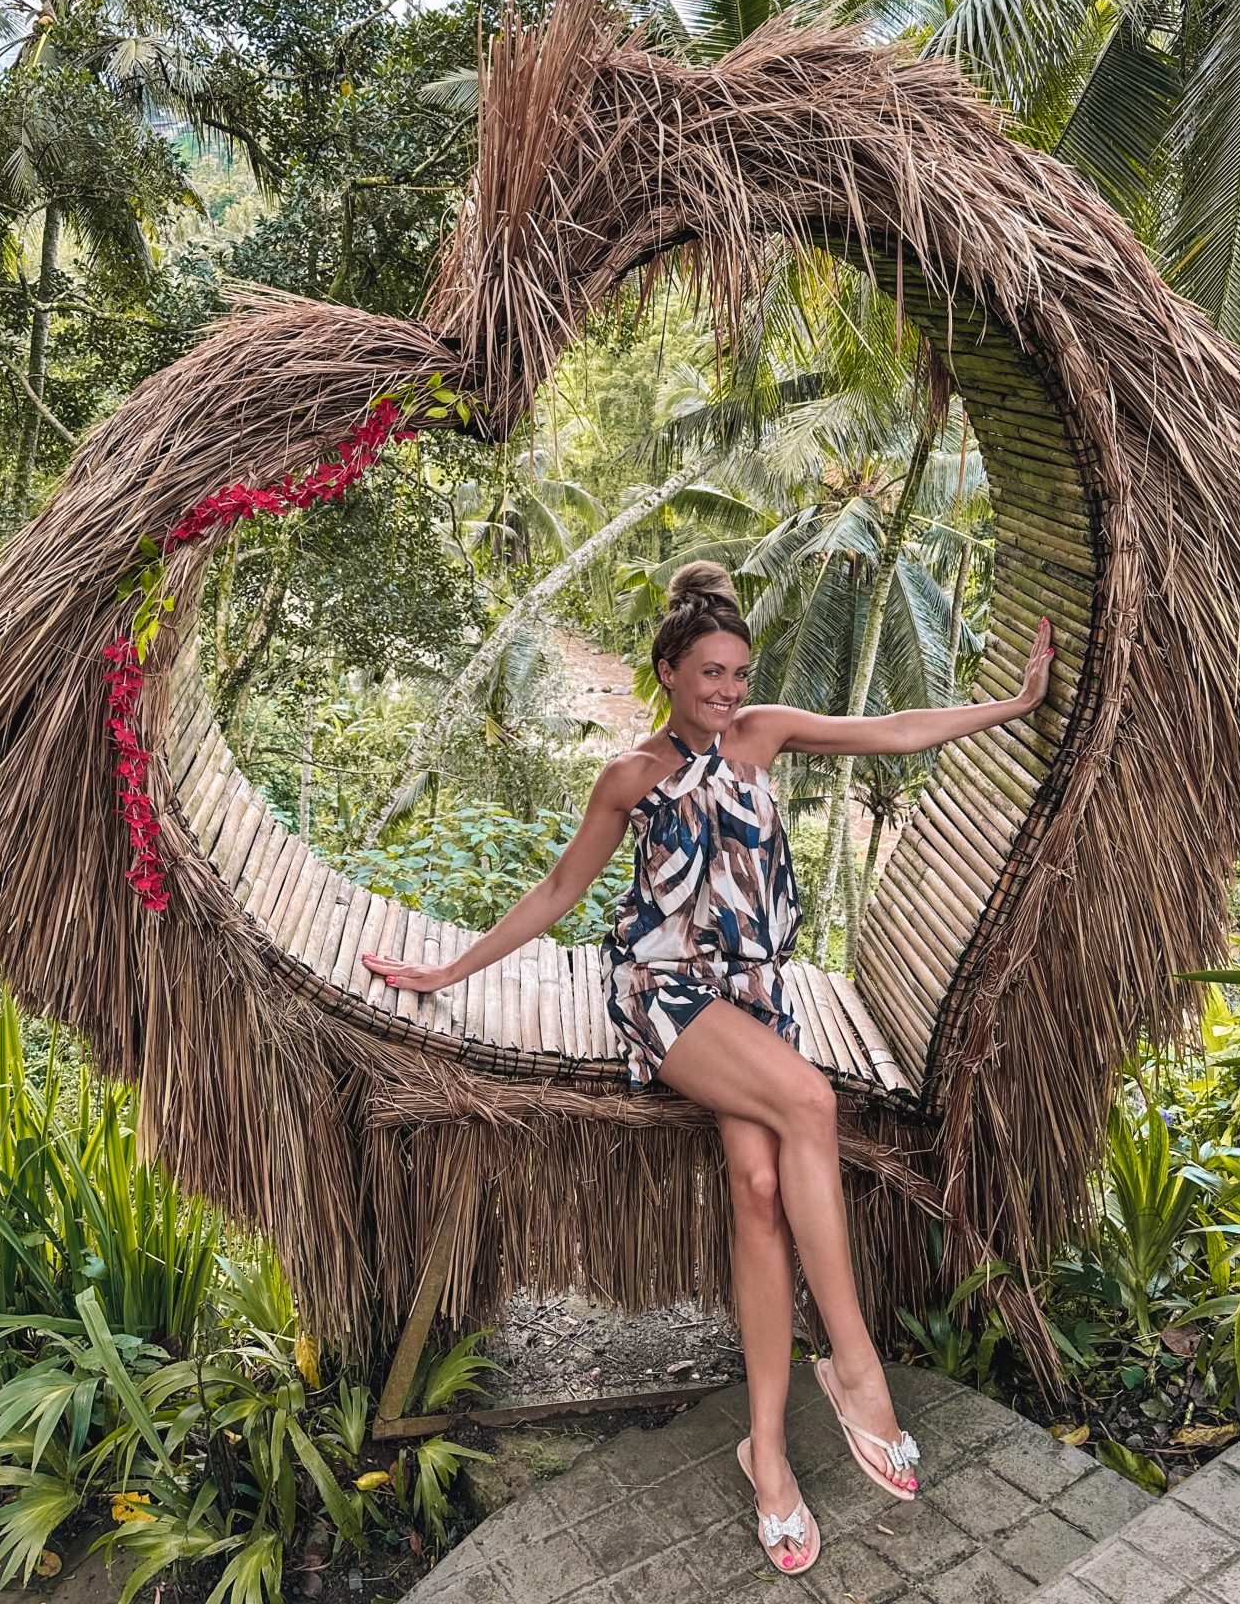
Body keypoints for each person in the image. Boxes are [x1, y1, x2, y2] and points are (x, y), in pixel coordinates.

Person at [365, 561, 1053, 1577]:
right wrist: (449, 967)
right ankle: (854, 1369)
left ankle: (766, 1456)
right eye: (710, 674)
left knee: (762, 1186)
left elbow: (897, 729)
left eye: (738, 673)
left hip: (755, 995)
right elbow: (560, 888)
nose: (728, 690)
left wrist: (1019, 701)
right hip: (665, 991)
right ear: (668, 673)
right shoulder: (632, 778)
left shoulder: (762, 736)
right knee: (812, 1102)